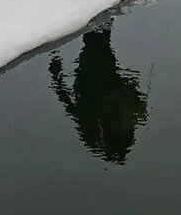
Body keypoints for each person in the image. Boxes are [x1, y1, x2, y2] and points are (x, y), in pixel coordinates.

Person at [48, 24, 149, 164]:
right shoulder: (96, 134)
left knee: (97, 44)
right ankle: (100, 19)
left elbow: (72, 108)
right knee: (98, 43)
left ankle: (99, 19)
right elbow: (71, 108)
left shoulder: (93, 133)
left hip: (95, 78)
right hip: (100, 78)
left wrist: (57, 77)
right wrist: (58, 80)